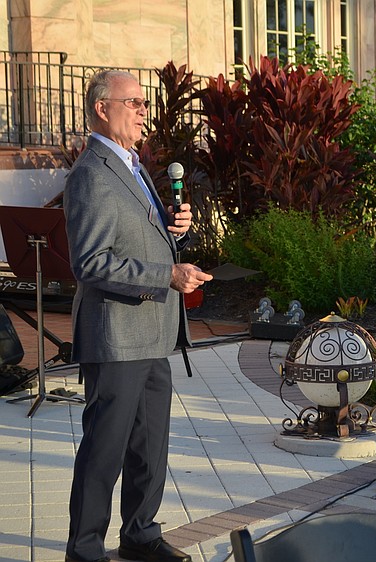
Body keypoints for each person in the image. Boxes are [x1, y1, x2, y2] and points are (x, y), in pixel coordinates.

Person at [64, 70, 212, 562]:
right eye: (135, 102)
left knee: (150, 449)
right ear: (103, 108)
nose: (144, 111)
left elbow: (143, 240)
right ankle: (84, 551)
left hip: (152, 332)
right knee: (104, 452)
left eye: (145, 103)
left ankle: (140, 534)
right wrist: (166, 275)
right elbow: (90, 261)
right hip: (116, 333)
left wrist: (178, 232)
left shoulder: (135, 167)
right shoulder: (91, 172)